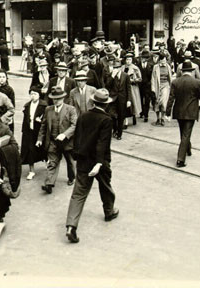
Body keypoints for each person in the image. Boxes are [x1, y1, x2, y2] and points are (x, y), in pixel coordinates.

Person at [65, 88, 119, 243]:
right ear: (106, 105)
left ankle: (71, 226)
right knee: (105, 186)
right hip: (99, 162)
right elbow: (103, 144)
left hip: (83, 160)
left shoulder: (83, 116)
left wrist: (76, 155)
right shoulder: (106, 120)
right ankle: (109, 211)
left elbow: (77, 138)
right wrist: (99, 164)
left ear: (93, 102)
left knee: (78, 194)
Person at [165, 61, 200, 168]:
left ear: (182, 71)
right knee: (186, 134)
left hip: (179, 111)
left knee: (183, 132)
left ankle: (188, 149)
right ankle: (180, 159)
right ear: (191, 71)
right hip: (191, 112)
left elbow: (171, 98)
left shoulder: (175, 82)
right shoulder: (196, 82)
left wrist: (168, 112)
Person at [36, 86, 78, 193]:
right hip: (53, 141)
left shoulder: (70, 109)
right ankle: (49, 184)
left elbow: (74, 125)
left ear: (63, 98)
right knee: (52, 162)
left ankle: (72, 178)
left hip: (67, 142)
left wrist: (64, 134)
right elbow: (43, 126)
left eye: (58, 98)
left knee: (70, 161)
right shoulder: (48, 110)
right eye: (54, 98)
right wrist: (40, 139)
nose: (56, 101)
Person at [21, 86, 48, 180]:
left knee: (44, 148)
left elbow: (47, 119)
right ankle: (31, 170)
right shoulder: (27, 105)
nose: (33, 96)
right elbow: (25, 120)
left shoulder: (44, 105)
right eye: (31, 94)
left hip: (40, 131)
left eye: (35, 94)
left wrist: (40, 121)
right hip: (29, 131)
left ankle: (47, 162)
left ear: (39, 95)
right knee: (30, 151)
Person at [107, 58, 132, 139]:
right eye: (114, 68)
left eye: (117, 68)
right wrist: (112, 76)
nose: (115, 69)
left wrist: (129, 100)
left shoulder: (126, 76)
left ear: (120, 68)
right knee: (112, 115)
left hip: (122, 99)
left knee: (121, 117)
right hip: (113, 98)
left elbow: (128, 88)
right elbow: (107, 85)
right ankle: (115, 129)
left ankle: (119, 134)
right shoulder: (111, 75)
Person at [151, 54, 172, 126]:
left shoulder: (168, 67)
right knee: (157, 102)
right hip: (157, 85)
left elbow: (170, 77)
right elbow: (153, 78)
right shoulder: (155, 67)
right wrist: (153, 89)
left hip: (165, 85)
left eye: (165, 61)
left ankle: (162, 118)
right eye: (162, 61)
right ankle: (157, 118)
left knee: (163, 102)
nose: (163, 62)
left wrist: (171, 87)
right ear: (159, 61)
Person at [122, 52, 142, 126]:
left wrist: (133, 80)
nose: (128, 61)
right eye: (127, 60)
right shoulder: (122, 68)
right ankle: (125, 119)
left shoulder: (135, 68)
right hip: (124, 87)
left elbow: (140, 79)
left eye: (130, 60)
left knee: (133, 101)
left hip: (132, 87)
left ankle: (134, 115)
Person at [136, 50, 153, 122]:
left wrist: (150, 83)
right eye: (143, 57)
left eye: (146, 58)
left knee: (147, 100)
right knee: (140, 98)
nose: (144, 59)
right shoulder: (138, 65)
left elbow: (152, 76)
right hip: (140, 85)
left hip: (147, 85)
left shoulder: (151, 65)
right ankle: (141, 112)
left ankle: (146, 115)